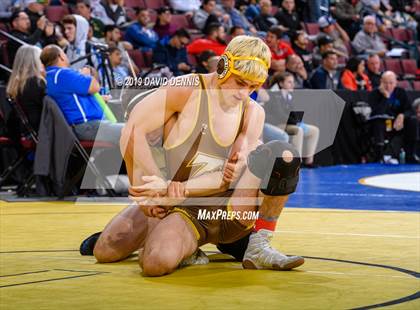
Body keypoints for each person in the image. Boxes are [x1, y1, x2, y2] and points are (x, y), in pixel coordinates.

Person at [91, 35, 304, 276]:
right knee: (108, 252)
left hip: (225, 206)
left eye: (253, 87)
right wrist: (147, 190)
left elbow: (227, 178)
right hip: (182, 203)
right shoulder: (186, 90)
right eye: (240, 82)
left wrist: (170, 189)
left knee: (283, 155)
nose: (244, 93)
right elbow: (132, 132)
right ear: (223, 67)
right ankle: (184, 246)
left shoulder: (252, 113)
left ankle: (259, 244)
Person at [40, 45, 124, 145]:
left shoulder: (52, 76)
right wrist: (85, 75)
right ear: (60, 56)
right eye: (64, 54)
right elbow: (95, 86)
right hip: (88, 126)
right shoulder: (63, 74)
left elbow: (74, 97)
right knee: (135, 130)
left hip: (88, 126)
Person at [266, 72, 319, 166]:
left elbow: (292, 112)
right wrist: (294, 121)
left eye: (293, 82)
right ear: (281, 83)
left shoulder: (288, 95)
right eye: (289, 82)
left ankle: (309, 162)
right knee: (298, 131)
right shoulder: (274, 95)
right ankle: (296, 162)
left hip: (288, 123)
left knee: (314, 130)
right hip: (276, 123)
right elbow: (279, 115)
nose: (292, 85)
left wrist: (297, 120)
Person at [368, 71, 417, 163]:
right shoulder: (374, 93)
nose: (388, 86)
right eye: (385, 83)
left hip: (398, 123)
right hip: (382, 124)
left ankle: (410, 155)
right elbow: (376, 113)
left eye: (391, 83)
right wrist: (385, 98)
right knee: (379, 122)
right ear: (381, 82)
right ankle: (380, 156)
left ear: (395, 83)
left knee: (412, 121)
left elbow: (410, 110)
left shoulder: (401, 92)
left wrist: (402, 115)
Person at [6, 45, 45, 132]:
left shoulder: (16, 83)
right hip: (41, 130)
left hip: (26, 130)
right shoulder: (36, 83)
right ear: (34, 62)